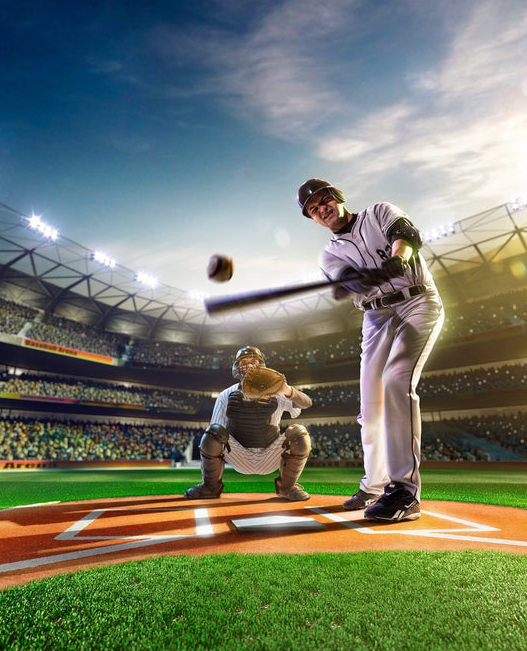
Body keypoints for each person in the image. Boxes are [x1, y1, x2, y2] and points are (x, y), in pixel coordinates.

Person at [298, 178, 444, 522]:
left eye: (324, 201)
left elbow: (406, 235)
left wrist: (398, 258)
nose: (322, 209)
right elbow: (347, 280)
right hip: (376, 316)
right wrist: (359, 280)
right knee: (370, 405)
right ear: (314, 219)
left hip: (416, 301)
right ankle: (374, 484)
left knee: (396, 381)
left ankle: (405, 492)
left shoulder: (379, 212)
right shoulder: (330, 253)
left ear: (337, 198)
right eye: (313, 209)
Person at [183, 345, 313, 502]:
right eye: (244, 362)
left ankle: (287, 487)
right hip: (239, 454)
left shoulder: (277, 392)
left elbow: (306, 403)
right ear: (237, 367)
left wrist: (287, 390)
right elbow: (214, 434)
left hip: (270, 455)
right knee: (213, 432)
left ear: (261, 365)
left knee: (299, 432)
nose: (249, 365)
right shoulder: (226, 395)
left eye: (254, 361)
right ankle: (210, 487)